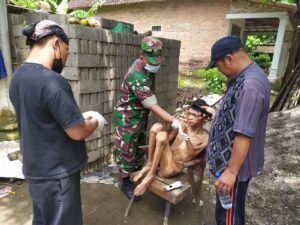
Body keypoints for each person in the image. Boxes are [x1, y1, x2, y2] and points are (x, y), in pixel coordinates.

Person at [9, 20, 106, 225]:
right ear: (55, 44)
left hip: (35, 169)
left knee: (44, 219)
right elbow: (77, 132)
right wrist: (95, 121)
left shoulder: (18, 77)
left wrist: (77, 117)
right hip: (57, 174)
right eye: (67, 49)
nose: (67, 56)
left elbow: (40, 117)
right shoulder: (52, 81)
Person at [203, 36, 271, 225]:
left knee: (229, 218)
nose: (220, 71)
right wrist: (218, 115)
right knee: (229, 213)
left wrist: (231, 172)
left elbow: (244, 134)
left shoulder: (250, 86)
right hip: (229, 164)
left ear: (229, 58)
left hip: (234, 167)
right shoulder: (243, 77)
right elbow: (238, 112)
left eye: (218, 66)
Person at [114, 36, 187, 200]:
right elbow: (153, 106)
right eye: (152, 62)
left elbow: (152, 98)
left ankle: (138, 174)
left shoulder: (148, 70)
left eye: (157, 62)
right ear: (142, 56)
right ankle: (125, 182)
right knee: (126, 149)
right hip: (128, 118)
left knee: (139, 146)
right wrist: (174, 121)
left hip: (140, 115)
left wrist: (165, 122)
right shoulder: (137, 75)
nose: (155, 65)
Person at [133, 99, 210, 196]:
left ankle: (150, 175)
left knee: (162, 136)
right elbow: (167, 139)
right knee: (157, 126)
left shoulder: (205, 137)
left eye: (194, 115)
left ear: (205, 119)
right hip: (164, 159)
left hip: (171, 168)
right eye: (189, 114)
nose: (190, 117)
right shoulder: (184, 125)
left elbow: (191, 154)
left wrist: (186, 132)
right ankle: (149, 164)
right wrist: (167, 123)